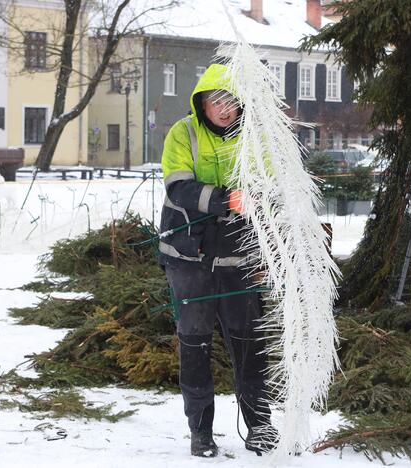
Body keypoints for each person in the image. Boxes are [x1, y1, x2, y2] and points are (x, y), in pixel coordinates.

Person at [159, 63, 274, 457]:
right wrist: (227, 199)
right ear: (201, 104)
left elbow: (268, 185)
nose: (224, 108)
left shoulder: (254, 139)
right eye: (215, 101)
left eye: (231, 101)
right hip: (188, 259)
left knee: (249, 344)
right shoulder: (183, 133)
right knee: (195, 345)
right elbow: (178, 187)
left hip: (238, 260)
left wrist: (259, 197)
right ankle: (201, 431)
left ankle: (260, 425)